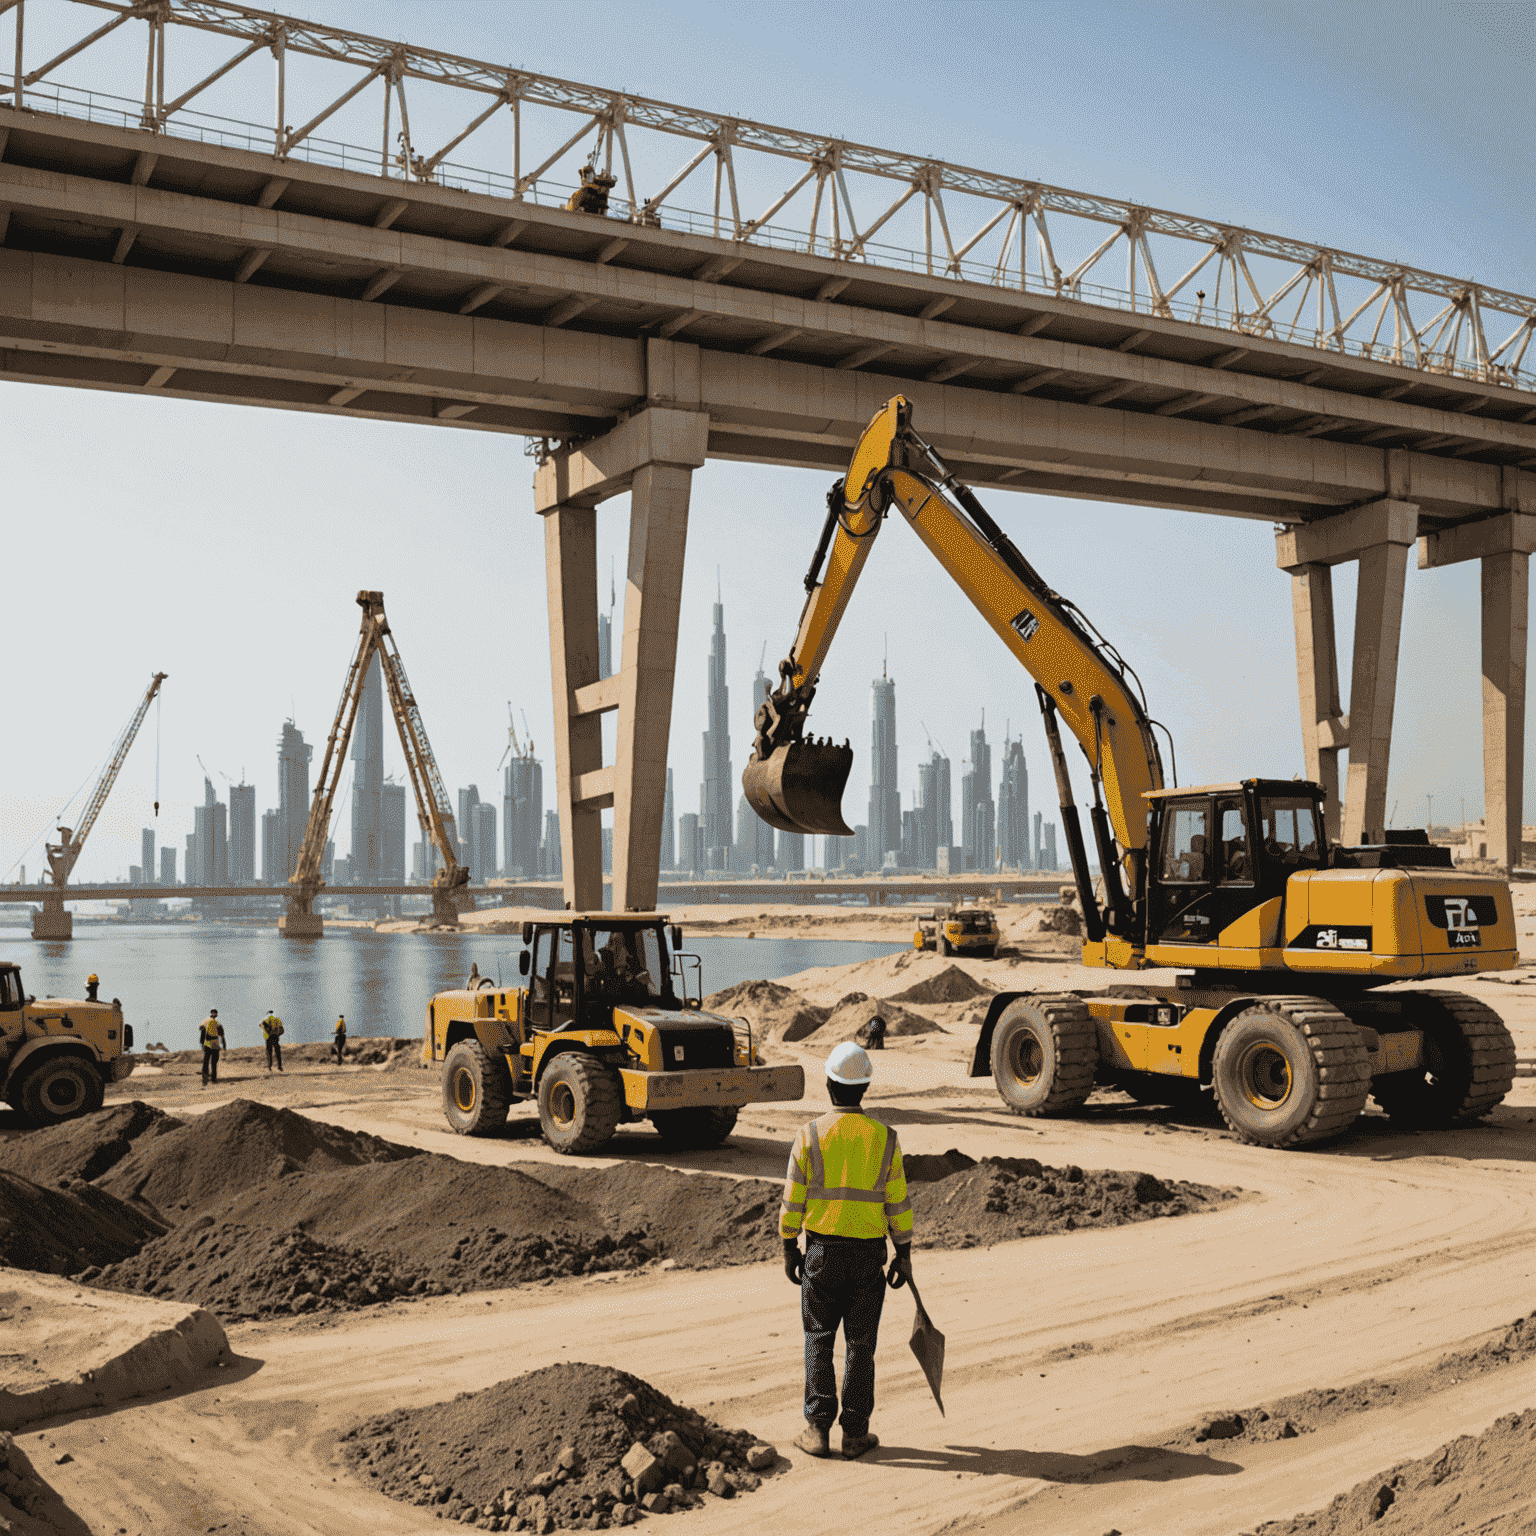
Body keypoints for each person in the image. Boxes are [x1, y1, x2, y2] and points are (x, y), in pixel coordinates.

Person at [780, 1041, 914, 1461]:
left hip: (821, 1253)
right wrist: (903, 1253)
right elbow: (898, 1202)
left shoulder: (809, 1135)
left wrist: (789, 1246)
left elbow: (792, 1200)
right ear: (866, 1086)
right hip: (868, 1257)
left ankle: (817, 1431)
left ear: (829, 1084)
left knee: (818, 1338)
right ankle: (855, 1435)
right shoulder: (886, 1139)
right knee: (861, 1345)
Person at [199, 1009, 226, 1086]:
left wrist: (202, 1043)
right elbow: (222, 1036)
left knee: (207, 1062)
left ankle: (206, 1079)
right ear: (215, 1014)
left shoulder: (206, 1021)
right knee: (212, 1062)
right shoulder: (217, 1023)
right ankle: (212, 1079)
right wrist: (224, 1046)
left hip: (210, 1044)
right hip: (213, 1044)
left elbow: (202, 1031)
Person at [260, 1009, 284, 1074]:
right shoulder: (278, 1020)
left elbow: (260, 1025)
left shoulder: (265, 1020)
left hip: (268, 1038)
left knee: (269, 1053)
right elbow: (282, 1029)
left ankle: (269, 1067)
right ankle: (279, 1066)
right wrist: (277, 1033)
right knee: (278, 1052)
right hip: (276, 1037)